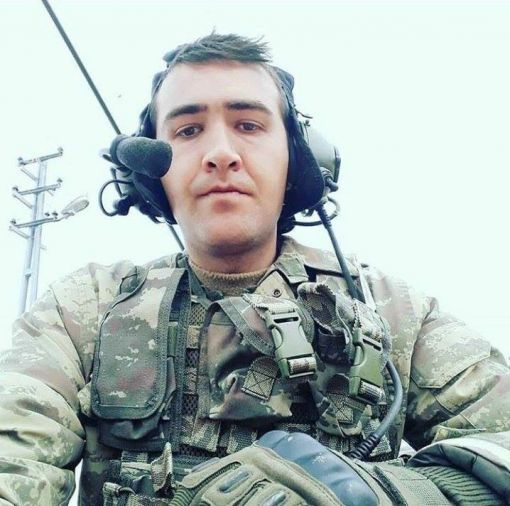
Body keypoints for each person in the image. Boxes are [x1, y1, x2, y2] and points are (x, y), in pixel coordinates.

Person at [1, 33, 509, 506]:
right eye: (188, 130)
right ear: (151, 173)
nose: (220, 154)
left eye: (248, 125)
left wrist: (368, 492)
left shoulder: (393, 311)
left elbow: (499, 445)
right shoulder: (83, 310)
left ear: (300, 159)